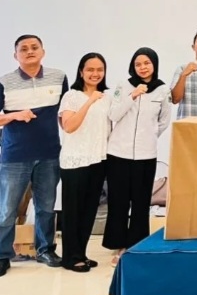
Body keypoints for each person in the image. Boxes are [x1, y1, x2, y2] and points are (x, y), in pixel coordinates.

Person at [0, 35, 68, 276]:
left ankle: (45, 250)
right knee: (7, 209)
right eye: (24, 49)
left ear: (43, 51)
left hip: (49, 154)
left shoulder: (58, 77)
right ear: (15, 55)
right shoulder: (4, 82)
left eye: (34, 47)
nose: (29, 51)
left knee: (46, 207)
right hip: (14, 156)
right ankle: (2, 255)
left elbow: (66, 111)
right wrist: (15, 115)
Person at [103, 48, 172, 266]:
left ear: (154, 64)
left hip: (146, 154)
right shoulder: (123, 86)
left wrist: (148, 136)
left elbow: (163, 121)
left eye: (147, 63)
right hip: (118, 153)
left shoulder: (162, 90)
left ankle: (137, 244)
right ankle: (118, 244)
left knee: (141, 202)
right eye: (138, 64)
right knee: (119, 201)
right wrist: (132, 95)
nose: (143, 67)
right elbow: (113, 114)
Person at [58, 53, 111, 272]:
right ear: (81, 71)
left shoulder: (107, 97)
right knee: (73, 211)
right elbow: (69, 126)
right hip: (75, 161)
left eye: (100, 69)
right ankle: (70, 258)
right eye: (90, 69)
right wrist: (90, 101)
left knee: (89, 210)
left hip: (98, 160)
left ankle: (81, 253)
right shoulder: (71, 96)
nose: (95, 74)